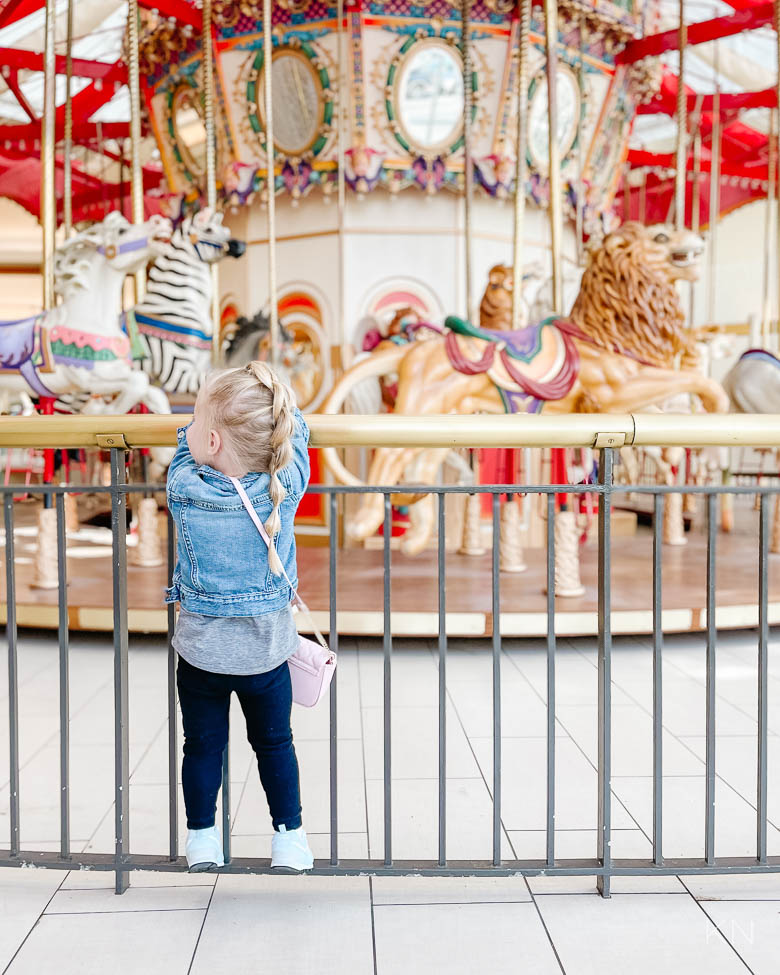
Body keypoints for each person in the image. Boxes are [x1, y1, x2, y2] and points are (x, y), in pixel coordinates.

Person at [165, 361, 314, 873]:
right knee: (275, 746)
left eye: (191, 420)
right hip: (267, 655)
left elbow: (185, 453)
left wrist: (190, 434)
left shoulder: (184, 488)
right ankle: (289, 839)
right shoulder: (285, 488)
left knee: (201, 747)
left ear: (209, 439)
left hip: (200, 656)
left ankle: (202, 839)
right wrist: (273, 400)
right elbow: (299, 437)